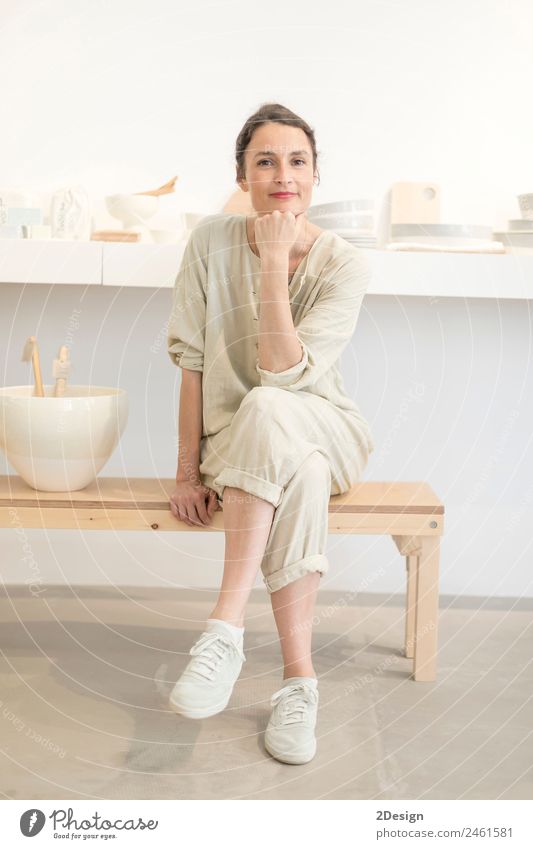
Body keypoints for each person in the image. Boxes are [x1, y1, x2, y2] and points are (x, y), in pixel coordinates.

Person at [166, 102, 374, 765]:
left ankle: (224, 627)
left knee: (268, 403)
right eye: (265, 160)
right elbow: (193, 362)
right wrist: (185, 470)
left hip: (327, 426)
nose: (282, 174)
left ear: (314, 175)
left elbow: (283, 376)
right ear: (241, 175)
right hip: (244, 442)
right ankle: (299, 682)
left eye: (296, 161)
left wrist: (274, 257)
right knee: (297, 467)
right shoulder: (207, 242)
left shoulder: (342, 265)